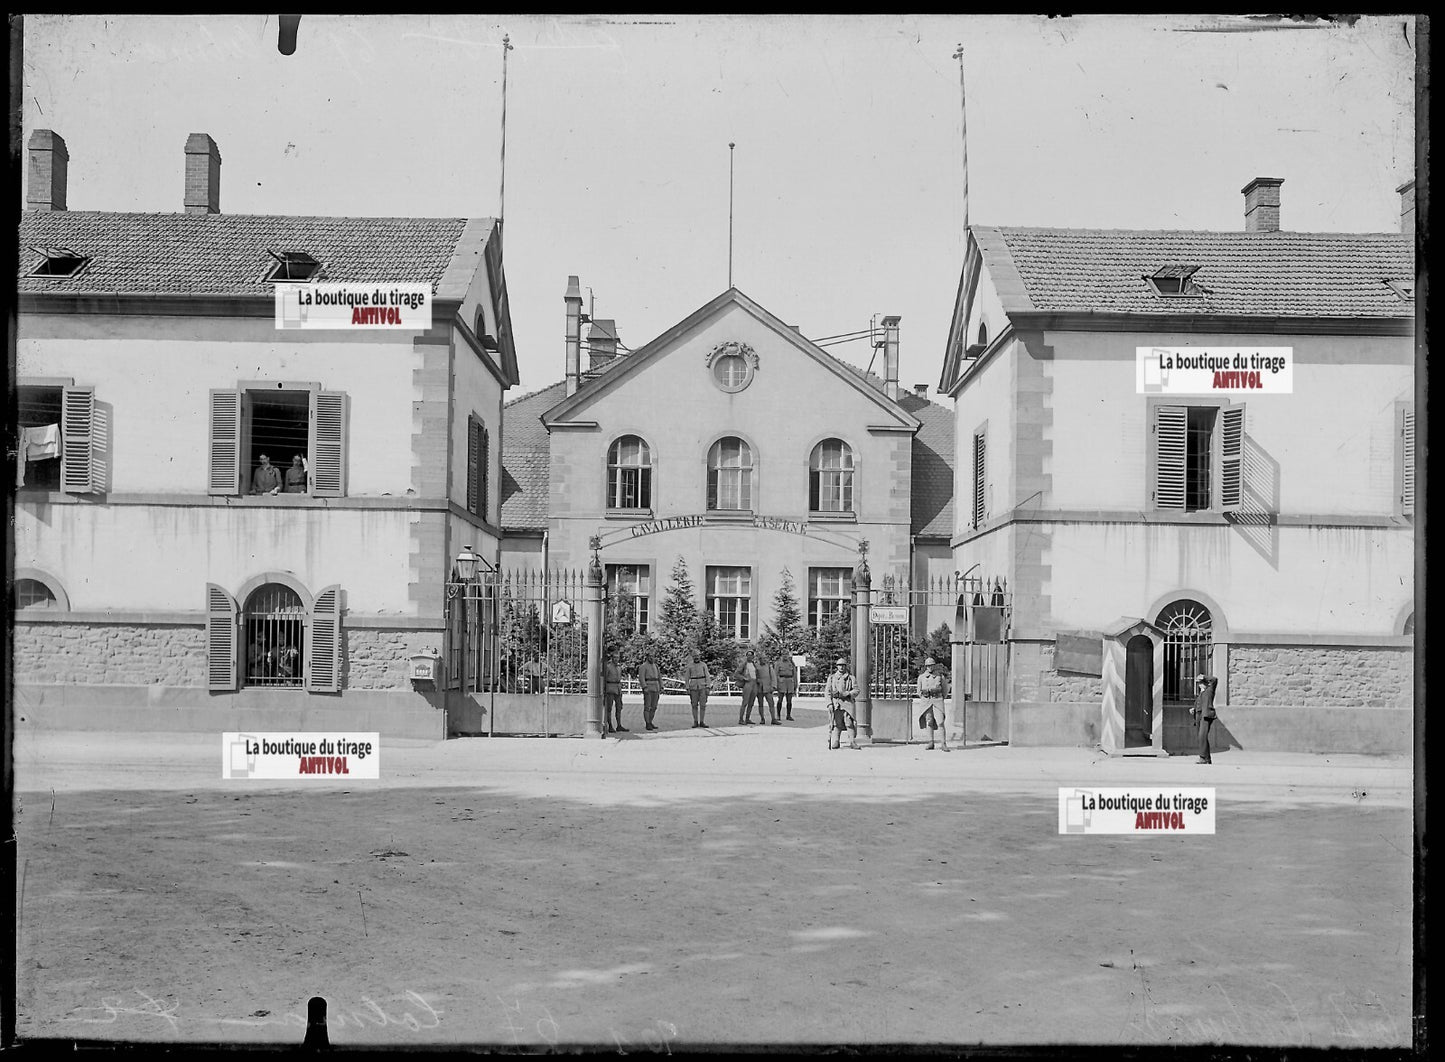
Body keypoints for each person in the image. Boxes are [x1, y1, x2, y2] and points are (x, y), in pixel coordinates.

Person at [916, 656, 951, 752]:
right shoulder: (921, 677)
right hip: (926, 701)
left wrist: (941, 697)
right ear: (926, 666)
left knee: (940, 722)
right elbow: (919, 691)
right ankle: (930, 742)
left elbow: (945, 689)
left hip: (937, 700)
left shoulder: (940, 676)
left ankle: (943, 743)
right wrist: (925, 697)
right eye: (928, 666)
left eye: (931, 665)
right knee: (929, 721)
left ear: (934, 666)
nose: (930, 668)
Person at [825, 657, 860, 750]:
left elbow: (856, 690)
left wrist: (848, 693)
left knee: (849, 723)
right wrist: (829, 704)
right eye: (839, 665)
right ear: (837, 667)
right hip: (836, 703)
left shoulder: (851, 678)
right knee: (837, 724)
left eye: (843, 665)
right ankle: (836, 741)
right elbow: (827, 692)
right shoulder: (832, 678)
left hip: (848, 703)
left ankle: (852, 741)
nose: (841, 667)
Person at [1191, 673, 1218, 763]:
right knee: (1202, 737)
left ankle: (1202, 757)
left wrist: (1204, 677)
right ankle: (1207, 758)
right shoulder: (1201, 693)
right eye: (1199, 683)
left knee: (1202, 736)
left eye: (1201, 682)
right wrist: (1193, 709)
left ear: (1205, 683)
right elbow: (1199, 704)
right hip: (1199, 716)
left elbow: (1214, 680)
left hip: (1206, 716)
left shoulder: (1210, 690)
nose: (1200, 685)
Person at [734, 649, 761, 725]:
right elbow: (736, 674)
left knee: (751, 702)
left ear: (753, 656)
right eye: (748, 655)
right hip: (747, 683)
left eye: (751, 655)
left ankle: (747, 718)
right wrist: (744, 678)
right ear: (746, 656)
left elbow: (757, 673)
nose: (750, 656)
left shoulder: (754, 664)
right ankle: (741, 719)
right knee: (745, 702)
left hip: (754, 683)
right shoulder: (743, 664)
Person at [684, 651, 710, 728]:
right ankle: (695, 721)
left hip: (702, 687)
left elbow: (707, 676)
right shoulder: (689, 666)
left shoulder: (703, 665)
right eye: (695, 656)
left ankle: (702, 721)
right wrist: (687, 687)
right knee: (694, 705)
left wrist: (708, 687)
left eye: (697, 656)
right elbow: (687, 677)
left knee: (703, 705)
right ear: (692, 657)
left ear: (700, 656)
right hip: (693, 687)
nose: (696, 657)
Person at [638, 650, 663, 731]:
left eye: (653, 656)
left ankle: (651, 721)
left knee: (654, 706)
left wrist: (661, 685)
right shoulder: (643, 666)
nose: (652, 658)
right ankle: (647, 723)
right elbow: (641, 678)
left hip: (656, 686)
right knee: (647, 706)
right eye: (650, 656)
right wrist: (644, 687)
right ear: (647, 657)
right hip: (648, 686)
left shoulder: (655, 666)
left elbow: (659, 676)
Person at [603, 652, 626, 733]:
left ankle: (619, 725)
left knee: (619, 707)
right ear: (612, 658)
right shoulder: (608, 667)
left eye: (618, 657)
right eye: (615, 657)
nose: (616, 659)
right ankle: (610, 725)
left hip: (618, 688)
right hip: (610, 688)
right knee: (609, 708)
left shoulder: (619, 667)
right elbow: (605, 679)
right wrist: (604, 689)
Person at [774, 653, 798, 721]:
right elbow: (775, 674)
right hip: (782, 681)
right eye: (784, 654)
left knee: (789, 700)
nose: (785, 656)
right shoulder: (778, 663)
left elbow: (794, 674)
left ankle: (788, 715)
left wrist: (795, 684)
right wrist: (776, 684)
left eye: (786, 654)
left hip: (790, 682)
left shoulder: (791, 663)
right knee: (780, 699)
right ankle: (778, 715)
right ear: (781, 655)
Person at [758, 654, 779, 724]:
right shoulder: (756, 666)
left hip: (768, 687)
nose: (764, 660)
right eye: (762, 658)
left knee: (771, 703)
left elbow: (773, 677)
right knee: (760, 704)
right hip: (759, 688)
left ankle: (773, 718)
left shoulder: (769, 667)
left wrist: (773, 686)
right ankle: (762, 718)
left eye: (765, 658)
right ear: (759, 659)